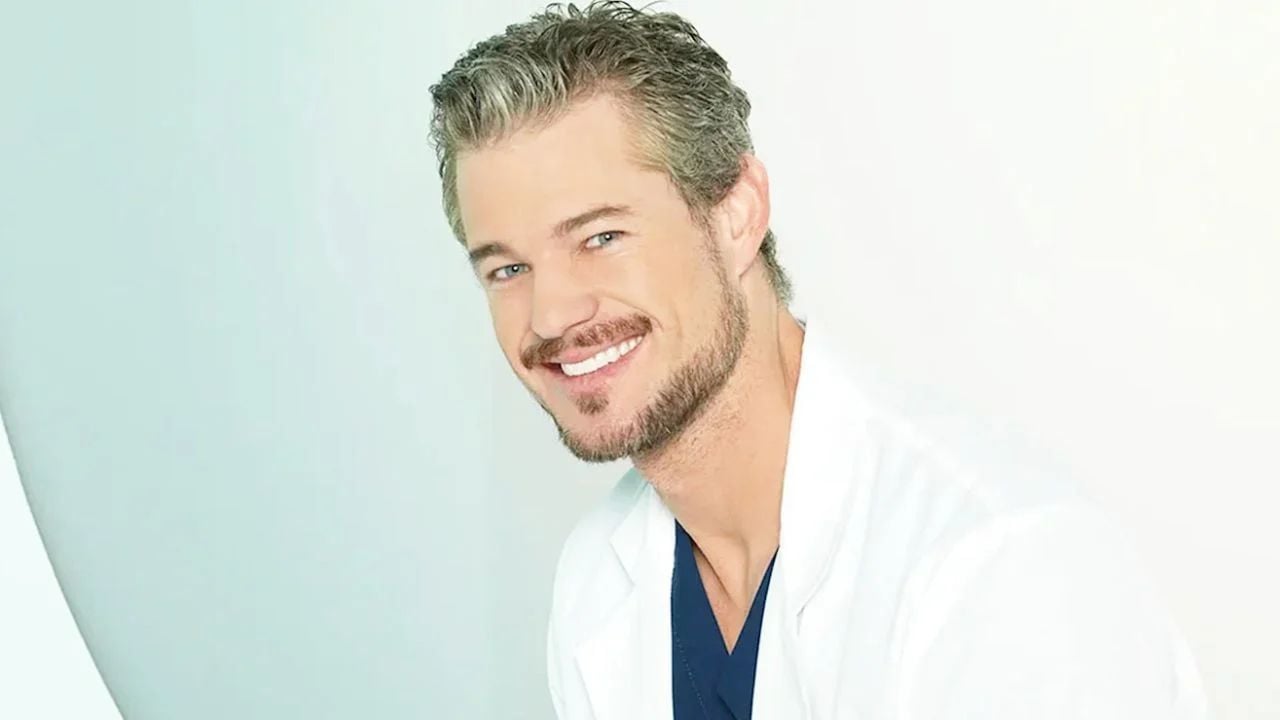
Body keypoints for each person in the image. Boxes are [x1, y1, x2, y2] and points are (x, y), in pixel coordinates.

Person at [428, 2, 1208, 718]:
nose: (551, 314)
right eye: (507, 268)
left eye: (601, 237)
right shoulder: (598, 581)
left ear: (737, 215)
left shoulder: (1002, 567)